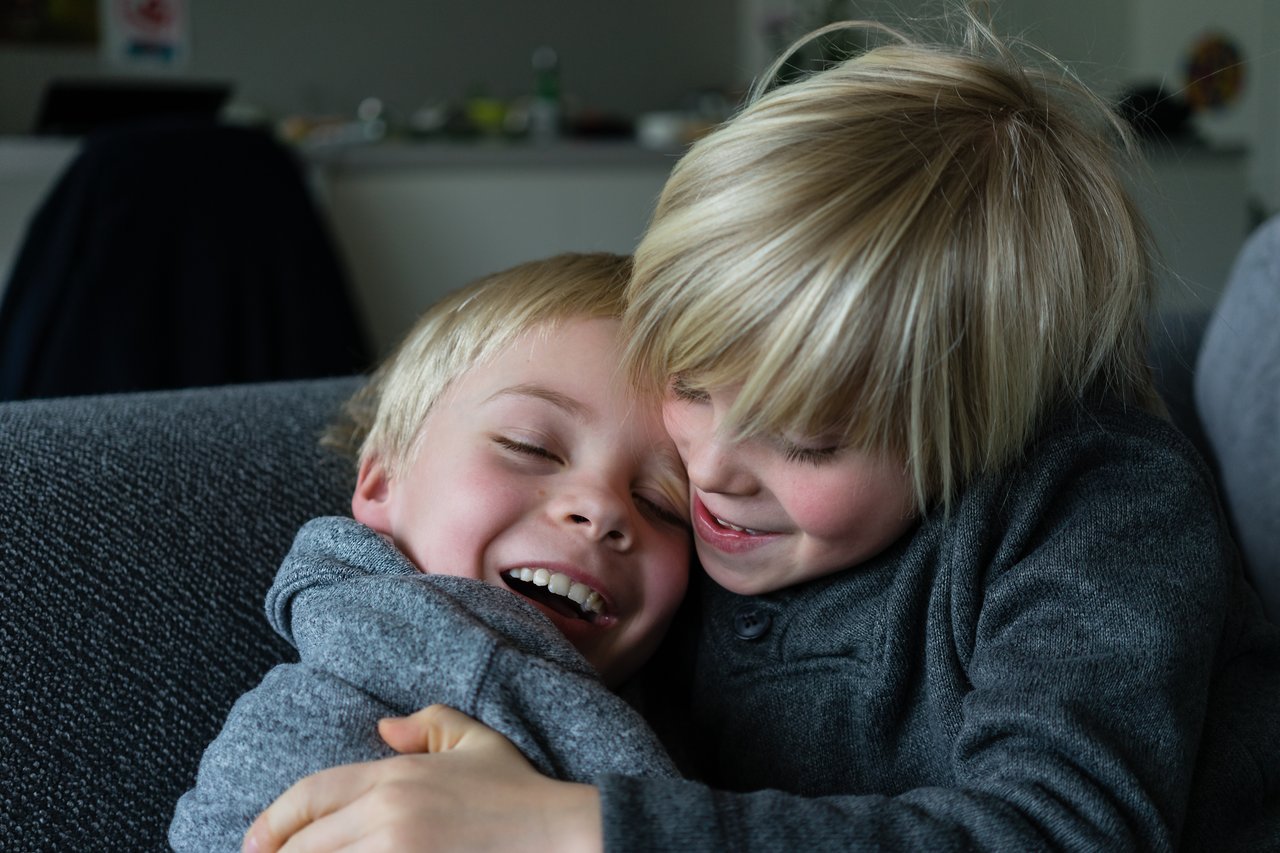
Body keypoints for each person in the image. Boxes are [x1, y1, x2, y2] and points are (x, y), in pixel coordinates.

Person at [243, 12, 1280, 853]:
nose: (708, 472)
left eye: (810, 440)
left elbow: (1060, 830)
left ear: (971, 435)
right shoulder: (683, 544)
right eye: (690, 382)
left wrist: (570, 830)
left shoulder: (1100, 507)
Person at [169, 253, 693, 850]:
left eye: (661, 502)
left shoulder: (706, 716)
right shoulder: (326, 721)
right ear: (384, 479)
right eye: (531, 447)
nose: (603, 508)